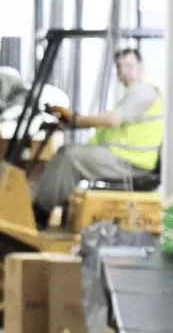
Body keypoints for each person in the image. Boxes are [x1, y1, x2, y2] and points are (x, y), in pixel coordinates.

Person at [33, 48, 163, 224]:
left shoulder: (144, 91)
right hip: (124, 157)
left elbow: (113, 120)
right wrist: (71, 122)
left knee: (69, 156)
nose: (123, 71)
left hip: (132, 162)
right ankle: (61, 215)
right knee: (71, 153)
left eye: (129, 65)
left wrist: (76, 119)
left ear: (141, 65)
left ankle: (38, 214)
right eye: (119, 67)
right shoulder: (134, 92)